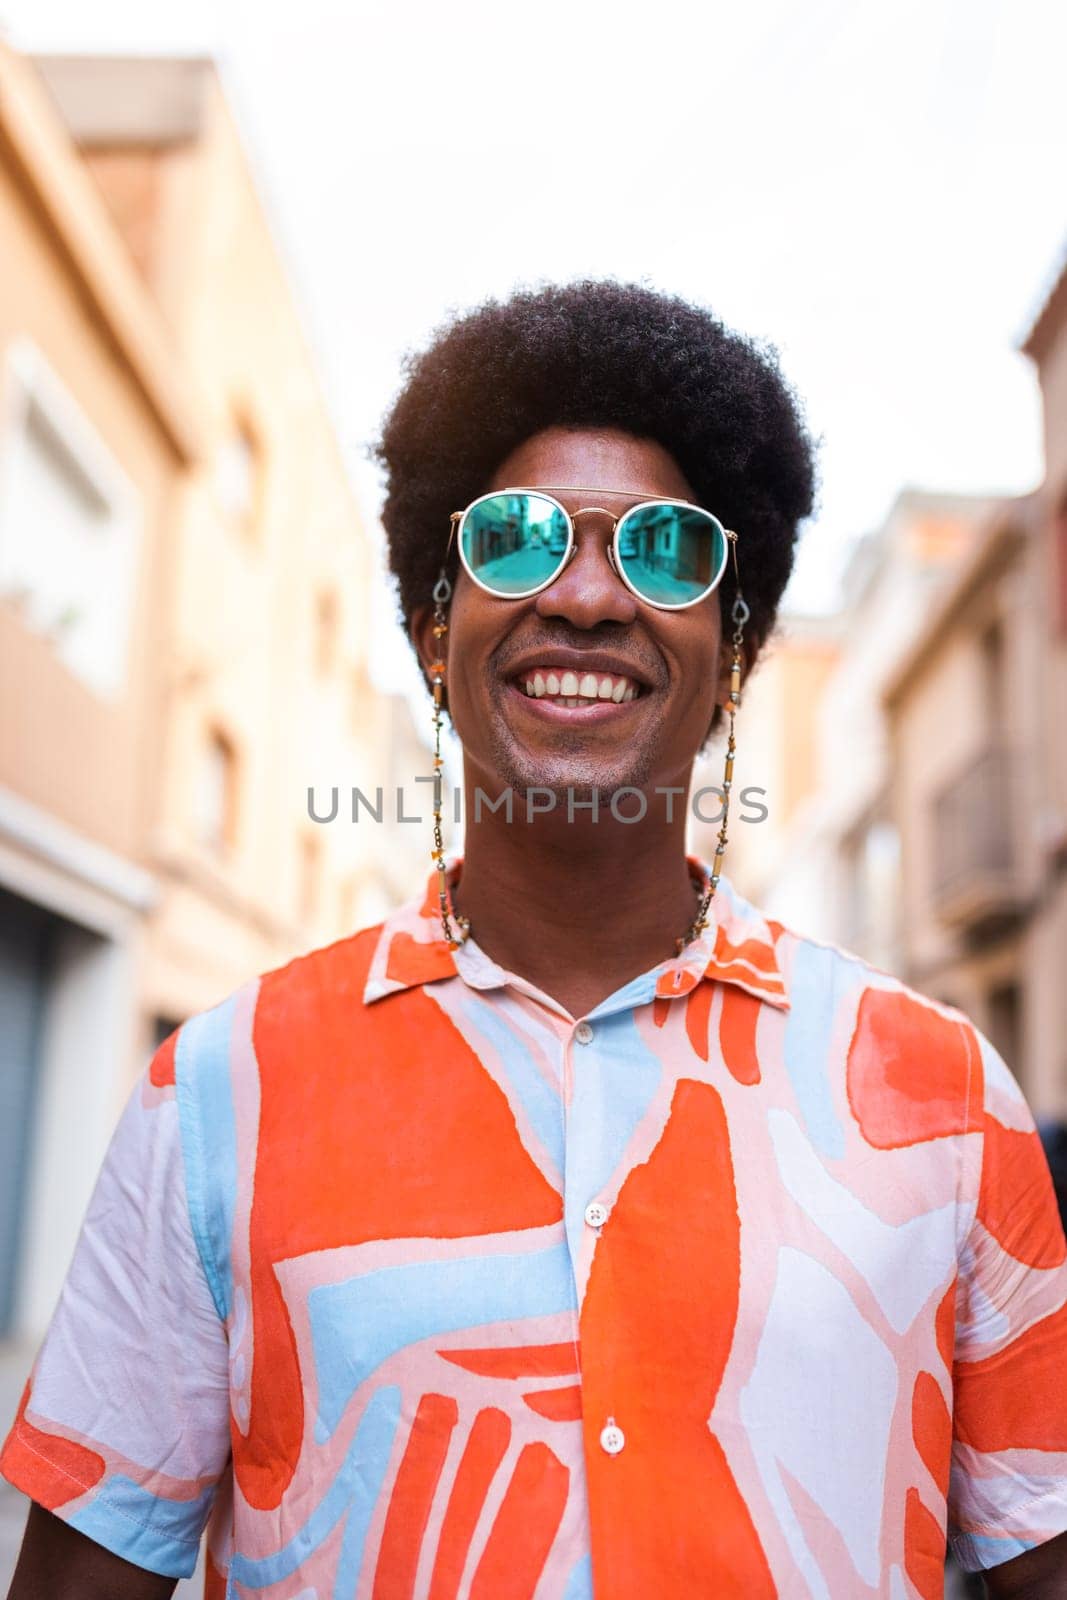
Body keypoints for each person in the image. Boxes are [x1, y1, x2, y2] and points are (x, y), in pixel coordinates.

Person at [4, 281, 1067, 1599]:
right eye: (516, 539)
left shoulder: (948, 1103)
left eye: (667, 550)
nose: (588, 597)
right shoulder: (217, 1097)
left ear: (732, 662)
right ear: (430, 629)